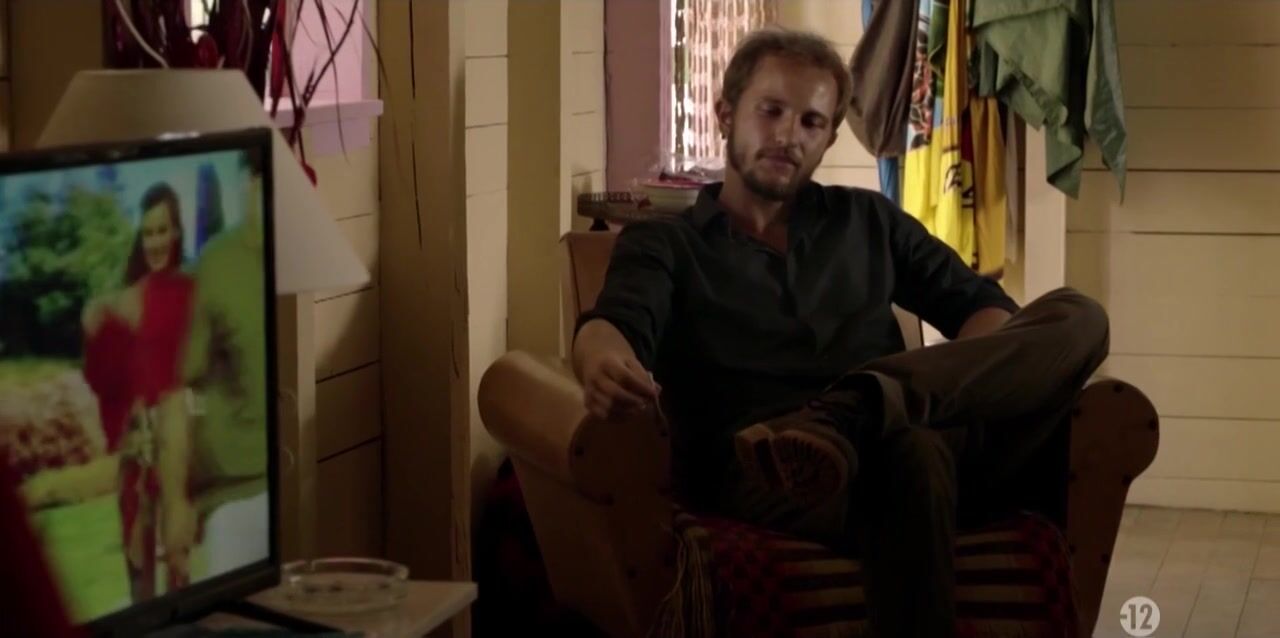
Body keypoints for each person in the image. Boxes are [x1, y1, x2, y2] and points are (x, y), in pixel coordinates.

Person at [571, 28, 1108, 638]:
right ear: (725, 114)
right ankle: (865, 412)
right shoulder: (667, 242)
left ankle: (856, 407)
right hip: (768, 466)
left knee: (1079, 315)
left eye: (811, 122)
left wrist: (972, 379)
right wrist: (600, 359)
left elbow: (982, 308)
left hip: (909, 434)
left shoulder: (867, 219)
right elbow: (614, 324)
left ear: (828, 138)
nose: (788, 135)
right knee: (912, 453)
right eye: (771, 111)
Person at [82, 183, 197, 602]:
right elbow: (105, 379)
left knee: (181, 571)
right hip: (138, 453)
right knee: (139, 585)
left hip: (179, 446)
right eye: (147, 233)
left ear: (177, 231)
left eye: (162, 230)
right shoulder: (126, 300)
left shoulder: (192, 292)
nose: (155, 242)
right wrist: (97, 322)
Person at [160, 149, 271, 580]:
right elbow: (174, 391)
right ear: (246, 182)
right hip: (232, 499)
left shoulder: (290, 251)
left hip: (283, 483)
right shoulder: (215, 266)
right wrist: (176, 504)